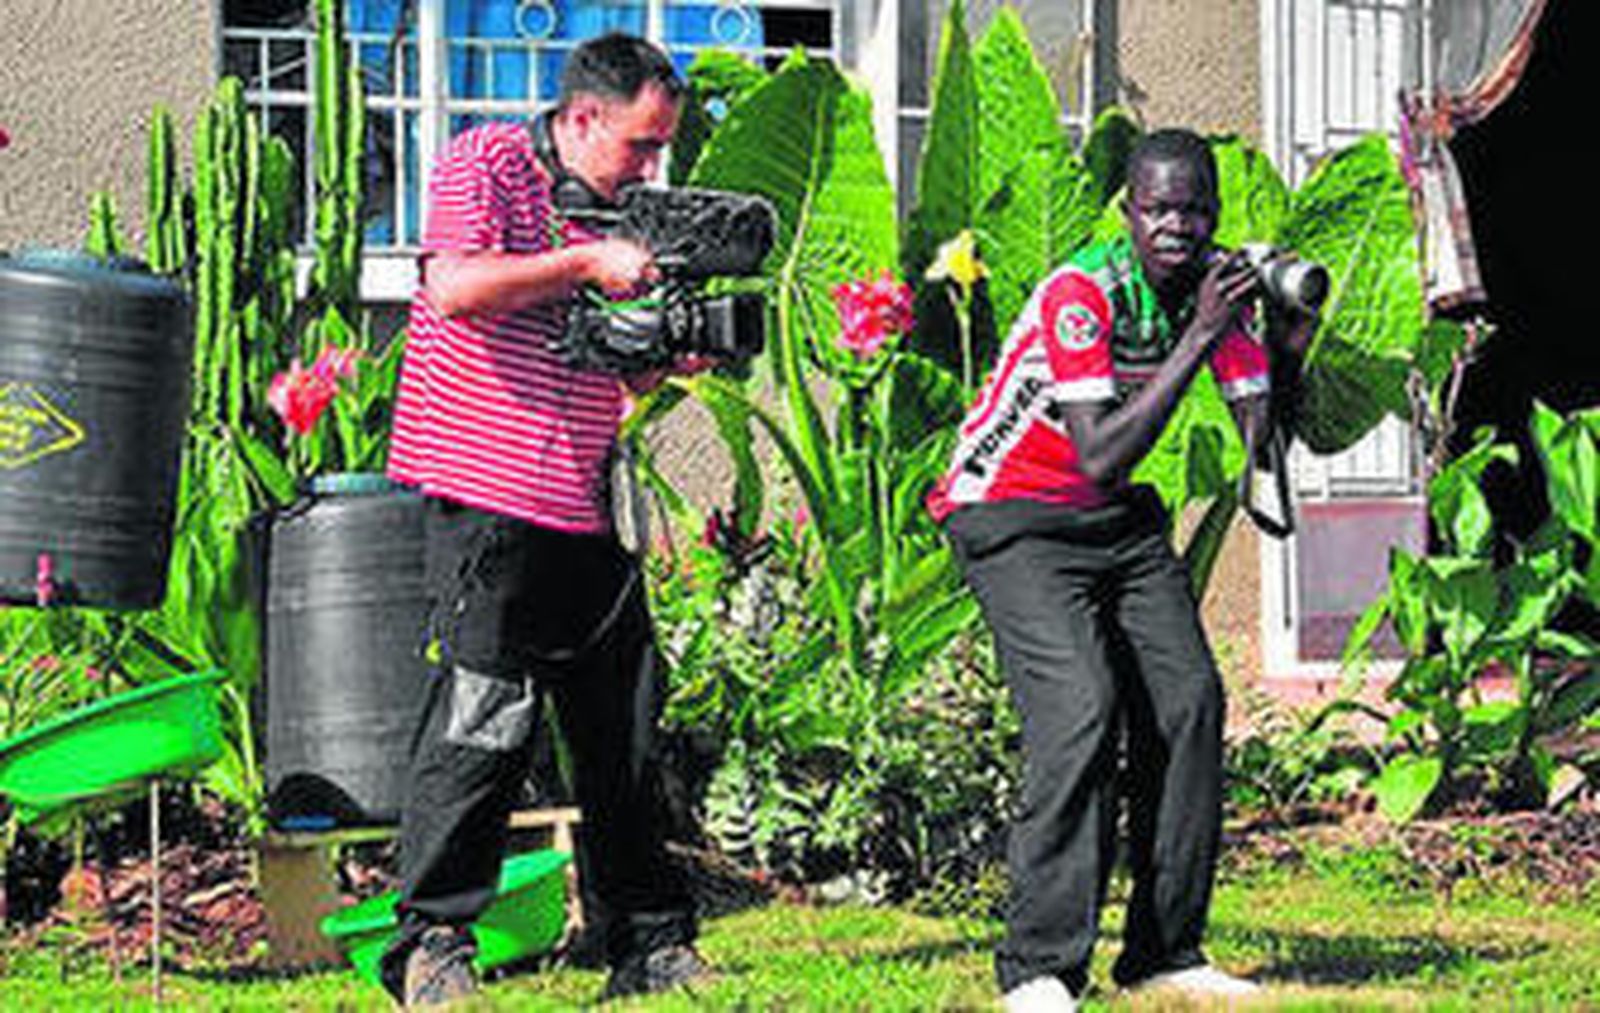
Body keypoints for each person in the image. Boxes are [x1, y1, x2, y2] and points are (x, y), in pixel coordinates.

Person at [927, 128, 1314, 1012]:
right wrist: (1201, 335)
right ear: (1129, 213)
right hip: (1010, 513)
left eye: (1195, 210)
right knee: (1081, 709)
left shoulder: (1215, 291)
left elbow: (1263, 444)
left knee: (1189, 701)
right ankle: (1039, 967)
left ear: (1215, 213)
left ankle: (1166, 951)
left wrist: (1283, 347)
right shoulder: (1082, 293)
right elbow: (1100, 453)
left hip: (1115, 524)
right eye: (1159, 210)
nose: (1179, 227)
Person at [379, 33, 707, 1007]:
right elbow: (453, 287)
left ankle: (649, 944)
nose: (649, 167)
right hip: (486, 496)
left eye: (660, 149)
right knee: (484, 721)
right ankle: (431, 945)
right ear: (582, 118)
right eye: (640, 146)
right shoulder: (486, 162)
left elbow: (618, 371)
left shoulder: (617, 214)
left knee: (623, 727)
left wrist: (666, 351)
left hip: (584, 503)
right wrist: (586, 261)